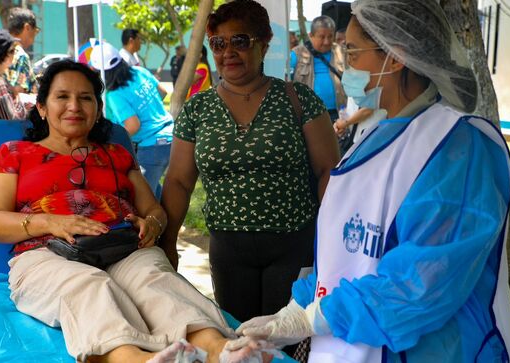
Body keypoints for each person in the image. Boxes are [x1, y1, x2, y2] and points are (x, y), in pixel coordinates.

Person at [236, 1, 510, 362]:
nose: (345, 63)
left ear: (396, 57)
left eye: (352, 51)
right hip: (349, 345)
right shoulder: (373, 135)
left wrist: (321, 317)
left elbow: (424, 284)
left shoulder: (456, 148)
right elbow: (344, 251)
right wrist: (300, 306)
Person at [0, 59, 275, 363]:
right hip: (46, 253)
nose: (74, 106)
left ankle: (219, 349)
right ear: (42, 107)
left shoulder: (116, 154)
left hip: (121, 248)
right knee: (88, 286)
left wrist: (152, 224)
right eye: (62, 97)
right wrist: (51, 222)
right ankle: (134, 359)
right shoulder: (14, 153)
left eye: (85, 98)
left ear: (97, 108)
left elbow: (153, 209)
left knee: (154, 280)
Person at [161, 0, 340, 326]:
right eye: (218, 43)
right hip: (228, 250)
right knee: (238, 339)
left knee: (286, 339)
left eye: (240, 41)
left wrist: (331, 242)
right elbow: (178, 181)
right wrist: (168, 242)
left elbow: (329, 170)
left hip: (293, 244)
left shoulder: (298, 100)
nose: (228, 51)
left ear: (264, 43)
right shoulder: (197, 110)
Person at [90, 43, 173, 200]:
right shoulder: (139, 71)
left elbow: (133, 125)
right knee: (153, 190)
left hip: (152, 146)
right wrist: (146, 108)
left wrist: (111, 140)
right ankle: (166, 219)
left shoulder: (114, 94)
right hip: (171, 137)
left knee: (141, 197)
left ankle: (163, 223)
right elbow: (162, 91)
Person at [290, 15, 346, 122]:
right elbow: (285, 83)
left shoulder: (341, 52)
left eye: (330, 36)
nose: (327, 41)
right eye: (322, 37)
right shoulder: (296, 54)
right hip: (309, 116)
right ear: (311, 35)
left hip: (338, 115)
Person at [0, 29, 30, 120]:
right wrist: (19, 99)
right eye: (12, 51)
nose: (14, 54)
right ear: (3, 54)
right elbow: (13, 119)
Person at [5, 7, 40, 94]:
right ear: (27, 28)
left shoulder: (1, 50)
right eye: (36, 31)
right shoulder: (20, 55)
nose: (35, 35)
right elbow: (19, 91)